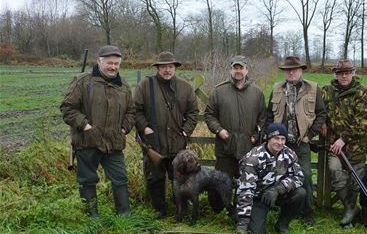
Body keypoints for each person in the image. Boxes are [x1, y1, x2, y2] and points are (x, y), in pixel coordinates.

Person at [61, 45, 135, 217]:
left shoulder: (123, 85)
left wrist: (124, 129)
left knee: (120, 179)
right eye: (110, 63)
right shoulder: (83, 81)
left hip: (114, 143)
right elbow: (67, 109)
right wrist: (86, 127)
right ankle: (91, 218)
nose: (113, 67)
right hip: (87, 142)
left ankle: (125, 217)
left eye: (117, 64)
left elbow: (131, 112)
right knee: (87, 181)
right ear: (99, 61)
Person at [133, 51, 199, 218]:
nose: (167, 70)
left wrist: (186, 131)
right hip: (154, 142)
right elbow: (136, 110)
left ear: (175, 68)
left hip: (178, 142)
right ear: (158, 68)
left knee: (180, 178)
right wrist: (145, 127)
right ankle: (159, 210)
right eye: (163, 67)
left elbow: (193, 112)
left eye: (170, 66)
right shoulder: (145, 86)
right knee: (155, 178)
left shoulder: (185, 87)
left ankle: (180, 210)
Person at [265, 55, 327, 226]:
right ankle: (284, 209)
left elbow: (322, 113)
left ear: (301, 70)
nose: (290, 72)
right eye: (287, 70)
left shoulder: (313, 88)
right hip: (281, 144)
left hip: (301, 143)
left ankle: (308, 213)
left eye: (294, 69)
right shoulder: (277, 88)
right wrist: (272, 136)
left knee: (305, 176)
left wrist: (311, 134)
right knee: (280, 175)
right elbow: (269, 114)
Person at [320, 59, 367, 228]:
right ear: (336, 75)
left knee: (356, 180)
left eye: (347, 73)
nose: (344, 76)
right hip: (334, 146)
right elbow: (319, 111)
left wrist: (344, 138)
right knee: (336, 174)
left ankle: (352, 210)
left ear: (353, 74)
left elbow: (362, 121)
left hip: (356, 147)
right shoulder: (327, 91)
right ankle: (350, 208)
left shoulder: (361, 92)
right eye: (341, 73)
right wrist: (322, 122)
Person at [236, 123, 306, 234]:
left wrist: (278, 189)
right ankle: (241, 217)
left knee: (300, 193)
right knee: (256, 233)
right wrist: (243, 223)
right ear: (268, 138)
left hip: (277, 193)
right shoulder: (253, 159)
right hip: (257, 197)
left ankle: (282, 225)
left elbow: (298, 177)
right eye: (276, 138)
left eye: (283, 139)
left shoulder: (289, 154)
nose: (280, 142)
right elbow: (245, 191)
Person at [204, 55, 266, 181]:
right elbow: (209, 114)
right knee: (221, 185)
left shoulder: (257, 93)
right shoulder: (219, 91)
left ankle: (240, 201)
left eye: (241, 67)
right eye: (235, 68)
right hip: (225, 148)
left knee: (245, 184)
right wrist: (219, 130)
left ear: (246, 70)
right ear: (230, 70)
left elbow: (263, 118)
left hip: (248, 148)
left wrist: (255, 135)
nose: (238, 71)